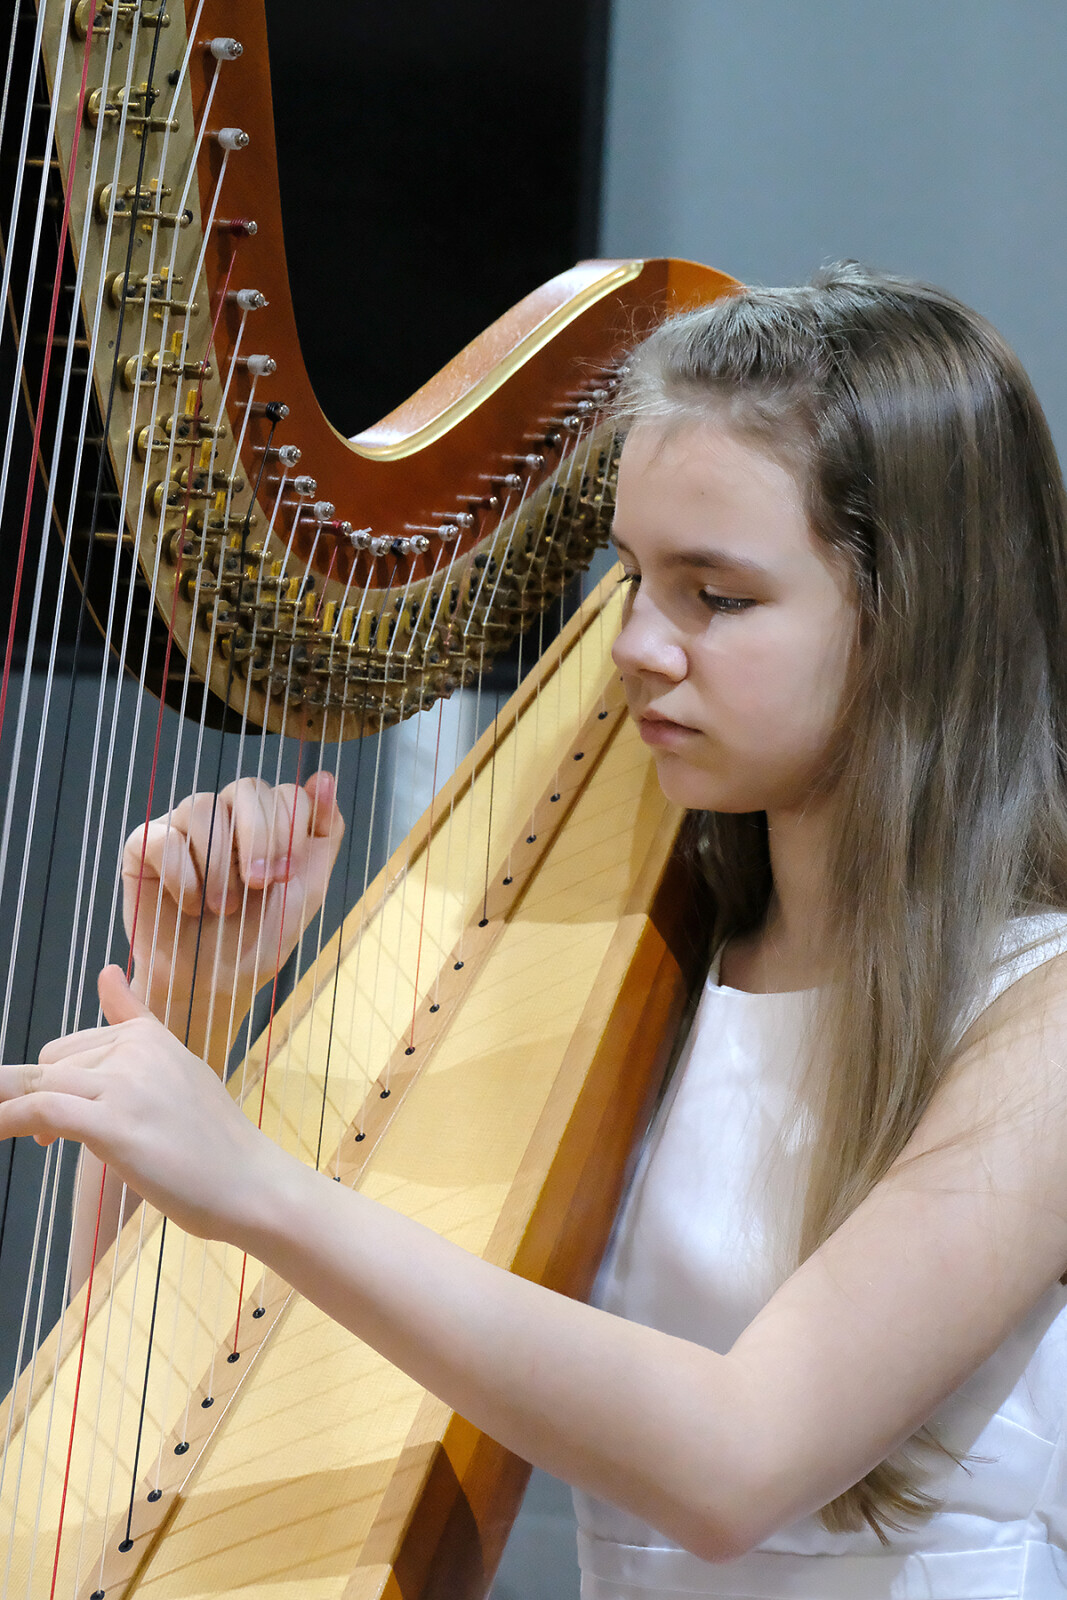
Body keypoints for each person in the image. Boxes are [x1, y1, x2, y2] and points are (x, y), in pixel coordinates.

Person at [3, 261, 1067, 1598]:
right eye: (629, 575)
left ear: (919, 615)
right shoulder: (646, 954)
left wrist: (263, 1184)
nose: (635, 644)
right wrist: (192, 1006)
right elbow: (138, 1368)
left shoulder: (1041, 1022)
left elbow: (739, 1461)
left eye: (717, 596)